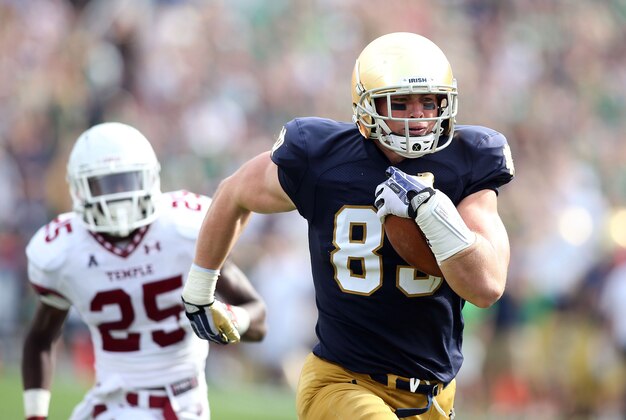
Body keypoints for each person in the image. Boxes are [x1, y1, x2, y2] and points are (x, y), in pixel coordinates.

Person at [182, 32, 515, 419]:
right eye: (401, 104)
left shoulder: (469, 160)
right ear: (367, 106)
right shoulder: (323, 158)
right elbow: (233, 193)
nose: (419, 117)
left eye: (429, 102)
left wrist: (432, 211)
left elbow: (487, 286)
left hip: (434, 394)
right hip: (343, 382)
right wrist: (200, 288)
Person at [21, 122, 267, 420]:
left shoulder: (185, 229)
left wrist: (231, 318)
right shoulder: (64, 250)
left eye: (127, 181)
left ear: (151, 178)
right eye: (105, 185)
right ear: (79, 189)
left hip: (180, 405)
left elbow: (258, 318)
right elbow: (40, 339)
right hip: (107, 403)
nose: (118, 197)